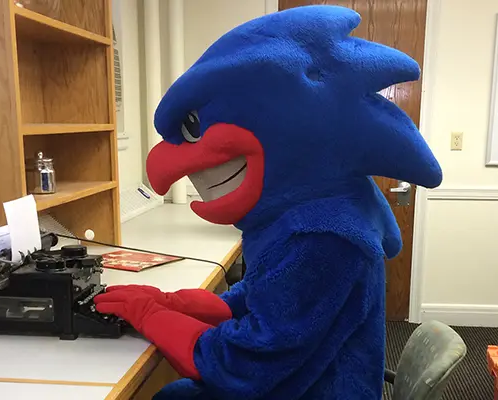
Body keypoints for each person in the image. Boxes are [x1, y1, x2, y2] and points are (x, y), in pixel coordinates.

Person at [94, 5, 442, 399]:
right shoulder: (312, 211)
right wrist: (173, 303)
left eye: (194, 129)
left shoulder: (323, 236)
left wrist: (150, 316)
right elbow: (263, 294)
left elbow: (242, 367)